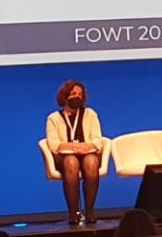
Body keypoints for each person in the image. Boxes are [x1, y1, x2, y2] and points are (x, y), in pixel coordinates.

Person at [46, 79, 104, 225]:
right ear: (65, 96)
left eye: (80, 94)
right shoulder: (53, 118)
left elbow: (97, 141)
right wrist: (73, 147)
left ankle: (89, 211)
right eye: (73, 94)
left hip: (87, 154)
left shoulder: (90, 114)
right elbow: (54, 144)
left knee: (91, 161)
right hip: (64, 157)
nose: (77, 97)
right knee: (71, 161)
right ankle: (73, 213)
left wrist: (81, 147)